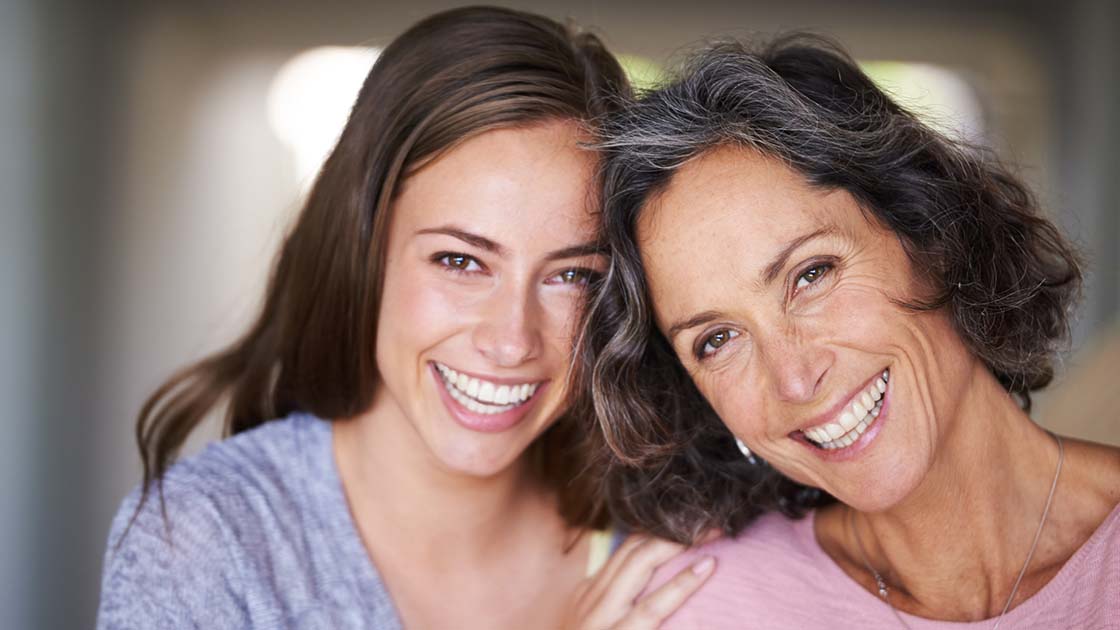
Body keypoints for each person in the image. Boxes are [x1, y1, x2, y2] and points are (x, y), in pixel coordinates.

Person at [97, 7, 713, 629]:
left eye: (573, 276)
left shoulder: (669, 538)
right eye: (460, 261)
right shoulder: (206, 539)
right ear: (364, 248)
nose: (510, 341)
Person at [579, 34, 1120, 628]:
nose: (794, 378)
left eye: (810, 275)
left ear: (933, 237)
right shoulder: (698, 603)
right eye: (717, 340)